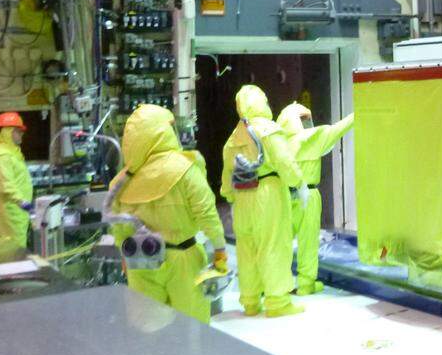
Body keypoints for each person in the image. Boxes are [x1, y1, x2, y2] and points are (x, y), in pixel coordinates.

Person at [109, 104, 227, 324]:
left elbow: (118, 227)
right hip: (183, 257)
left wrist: (123, 255)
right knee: (191, 326)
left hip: (140, 258)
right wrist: (219, 248)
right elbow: (207, 213)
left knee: (148, 328)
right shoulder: (186, 169)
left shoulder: (120, 183)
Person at [221, 85, 304, 317]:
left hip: (242, 197)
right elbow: (285, 162)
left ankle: (250, 301)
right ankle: (277, 301)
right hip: (267, 193)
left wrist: (229, 195)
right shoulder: (268, 130)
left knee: (247, 249)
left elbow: (227, 175)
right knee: (273, 245)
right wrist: (298, 183)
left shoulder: (234, 137)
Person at [277, 102, 354, 295]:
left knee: (280, 243)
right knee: (308, 242)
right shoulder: (314, 138)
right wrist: (360, 111)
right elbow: (340, 128)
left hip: (283, 196)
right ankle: (306, 284)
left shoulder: (277, 143)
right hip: (309, 195)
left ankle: (276, 284)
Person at [0, 111, 33, 244]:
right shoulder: (1, 155)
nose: (22, 134)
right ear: (7, 132)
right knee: (12, 247)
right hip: (9, 210)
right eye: (18, 131)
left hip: (15, 210)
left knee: (15, 245)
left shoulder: (11, 152)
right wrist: (22, 202)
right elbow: (5, 184)